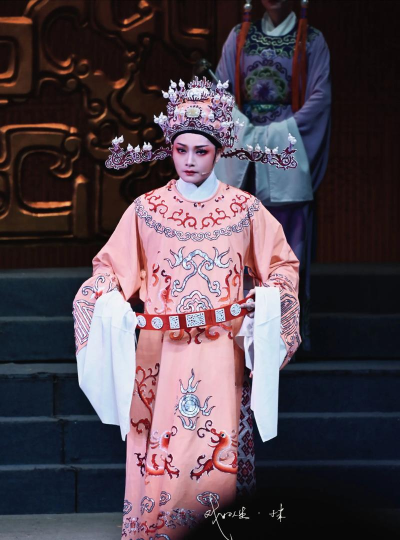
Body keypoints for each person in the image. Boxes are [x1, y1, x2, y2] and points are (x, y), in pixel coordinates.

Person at [72, 76, 301, 540]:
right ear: (170, 150)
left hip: (222, 351)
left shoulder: (244, 209)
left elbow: (282, 264)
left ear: (219, 152)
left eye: (201, 150)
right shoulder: (146, 210)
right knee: (162, 447)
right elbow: (110, 268)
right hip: (159, 352)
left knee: (218, 447)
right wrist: (103, 297)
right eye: (181, 150)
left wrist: (268, 296)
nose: (190, 160)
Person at [214, 0, 331, 351]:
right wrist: (246, 131)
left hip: (285, 147)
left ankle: (285, 335)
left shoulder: (312, 40)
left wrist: (276, 134)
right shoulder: (239, 36)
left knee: (287, 244)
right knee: (238, 242)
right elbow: (220, 94)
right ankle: (237, 333)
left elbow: (320, 98)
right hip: (244, 149)